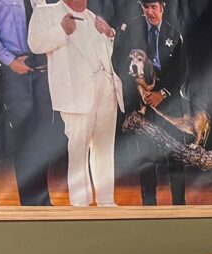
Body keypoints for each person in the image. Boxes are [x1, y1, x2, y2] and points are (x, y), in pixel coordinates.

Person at [29, 0, 124, 206]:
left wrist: (109, 34)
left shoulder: (93, 17)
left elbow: (105, 53)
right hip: (76, 94)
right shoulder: (46, 12)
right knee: (78, 151)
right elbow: (34, 44)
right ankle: (80, 204)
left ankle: (106, 201)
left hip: (107, 90)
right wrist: (61, 30)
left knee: (104, 150)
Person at [0, 0, 62, 205]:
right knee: (24, 136)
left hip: (42, 67)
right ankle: (31, 204)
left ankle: (44, 202)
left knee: (42, 136)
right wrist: (9, 60)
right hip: (13, 71)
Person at [114, 0, 190, 205]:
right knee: (146, 158)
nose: (150, 12)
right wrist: (139, 89)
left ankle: (179, 206)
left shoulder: (174, 35)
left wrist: (162, 93)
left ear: (162, 8)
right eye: (145, 7)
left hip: (169, 104)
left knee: (175, 155)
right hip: (142, 103)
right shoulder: (130, 31)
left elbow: (181, 72)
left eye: (153, 7)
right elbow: (117, 62)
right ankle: (148, 207)